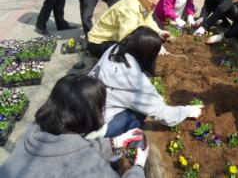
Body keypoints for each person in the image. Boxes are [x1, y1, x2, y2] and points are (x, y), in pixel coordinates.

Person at [0, 74, 149, 178]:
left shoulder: (35, 129)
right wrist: (138, 166)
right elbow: (79, 157)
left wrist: (114, 143)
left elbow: (70, 149)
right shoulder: (86, 166)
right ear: (88, 115)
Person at [89, 26, 204, 137]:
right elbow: (164, 114)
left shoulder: (114, 49)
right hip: (94, 127)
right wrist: (188, 111)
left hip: (82, 103)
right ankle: (110, 138)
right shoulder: (136, 83)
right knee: (140, 113)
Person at [87, 0, 170, 58]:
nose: (156, 2)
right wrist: (152, 46)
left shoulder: (145, 2)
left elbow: (147, 20)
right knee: (130, 56)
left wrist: (159, 32)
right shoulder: (128, 9)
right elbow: (127, 39)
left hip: (115, 37)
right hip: (100, 42)